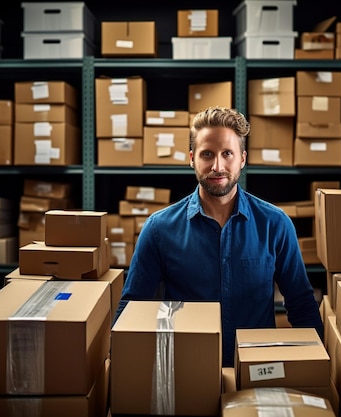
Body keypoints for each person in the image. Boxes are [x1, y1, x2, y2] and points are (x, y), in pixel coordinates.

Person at [114, 106, 324, 367]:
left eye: (227, 153)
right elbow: (132, 307)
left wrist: (320, 370)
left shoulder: (275, 224)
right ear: (191, 158)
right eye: (207, 154)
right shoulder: (159, 229)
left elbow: (301, 304)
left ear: (243, 159)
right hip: (188, 370)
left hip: (255, 370)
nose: (217, 166)